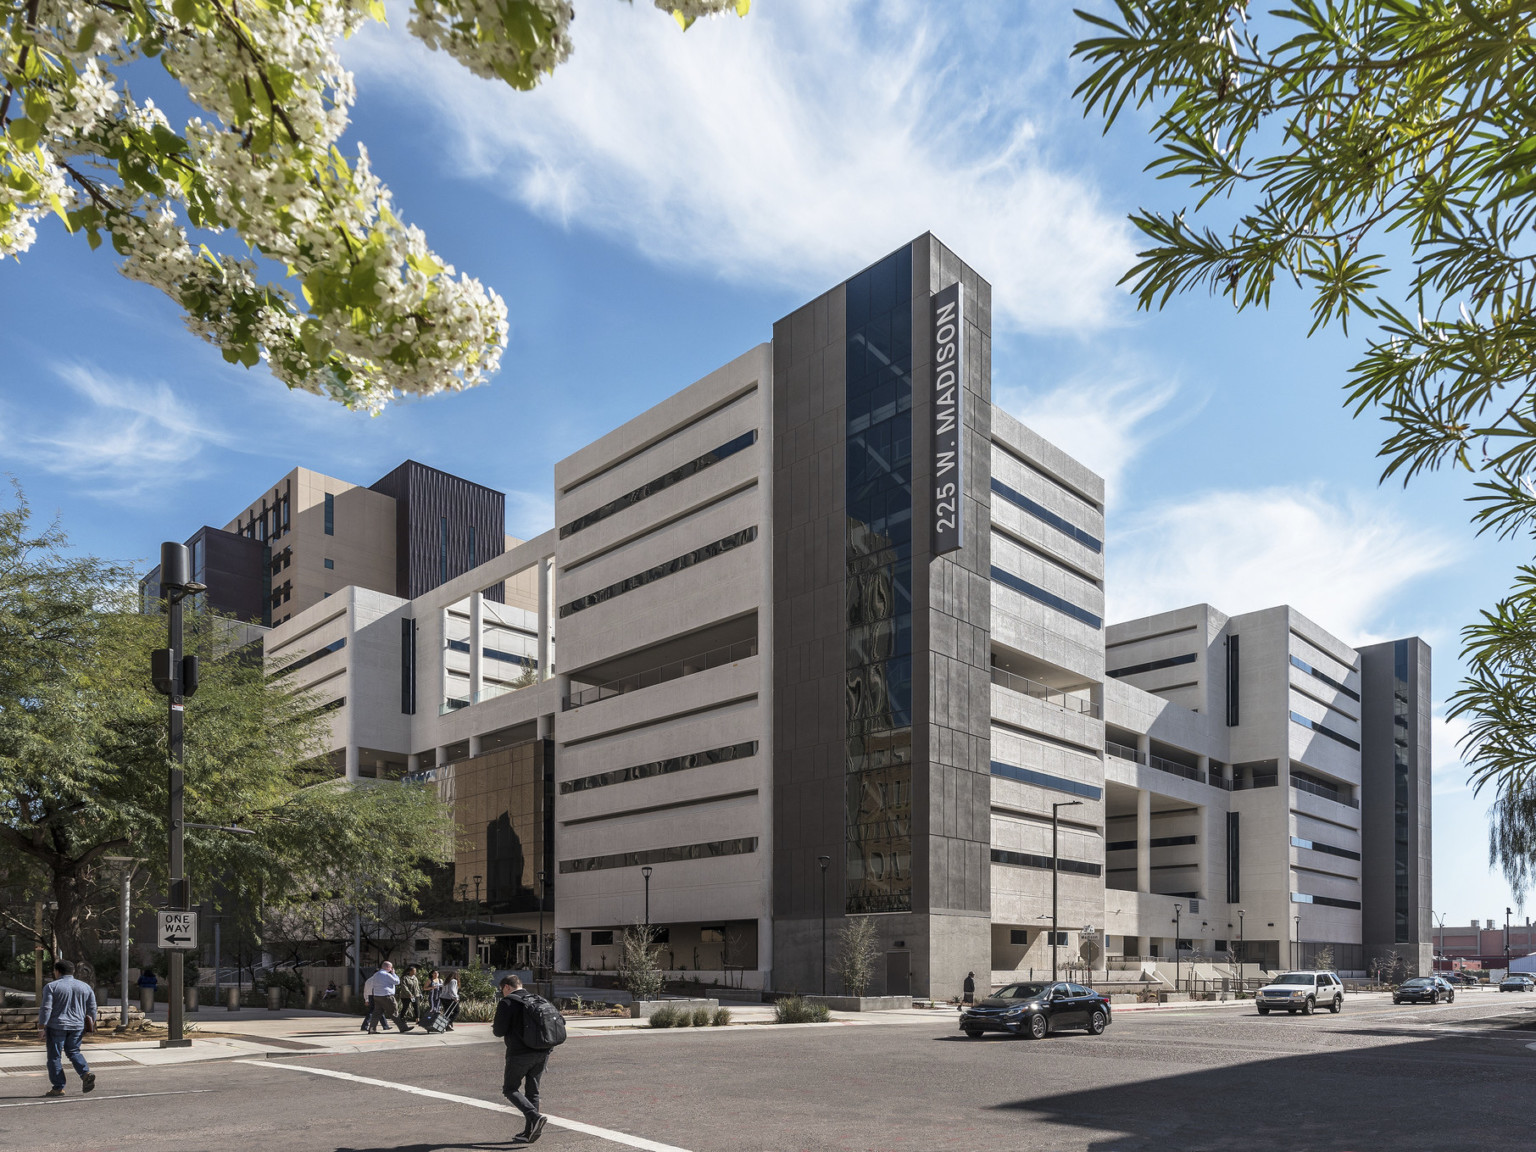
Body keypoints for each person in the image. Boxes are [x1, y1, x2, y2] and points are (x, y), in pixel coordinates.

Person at [492, 975, 548, 1144]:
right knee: (533, 1091)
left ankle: (534, 1116)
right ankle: (529, 1132)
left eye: (502, 990)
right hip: (542, 1052)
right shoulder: (537, 999)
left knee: (510, 1089)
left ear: (507, 987)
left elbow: (498, 1031)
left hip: (519, 1053)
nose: (502, 994)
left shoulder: (507, 1002)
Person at [38, 960, 97, 1098]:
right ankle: (85, 1073)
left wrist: (41, 1027)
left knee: (54, 1057)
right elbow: (92, 1008)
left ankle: (58, 1088)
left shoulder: (51, 986)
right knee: (74, 1051)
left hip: (56, 1026)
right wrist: (91, 1024)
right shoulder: (85, 987)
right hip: (77, 1026)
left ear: (57, 971)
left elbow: (46, 1008)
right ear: (73, 972)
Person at [365, 961, 412, 1035]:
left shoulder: (376, 975)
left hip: (377, 996)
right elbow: (397, 982)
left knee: (377, 1013)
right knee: (394, 1012)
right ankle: (403, 1027)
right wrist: (393, 973)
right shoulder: (386, 975)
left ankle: (372, 1029)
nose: (391, 969)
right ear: (387, 967)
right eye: (391, 967)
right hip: (387, 996)